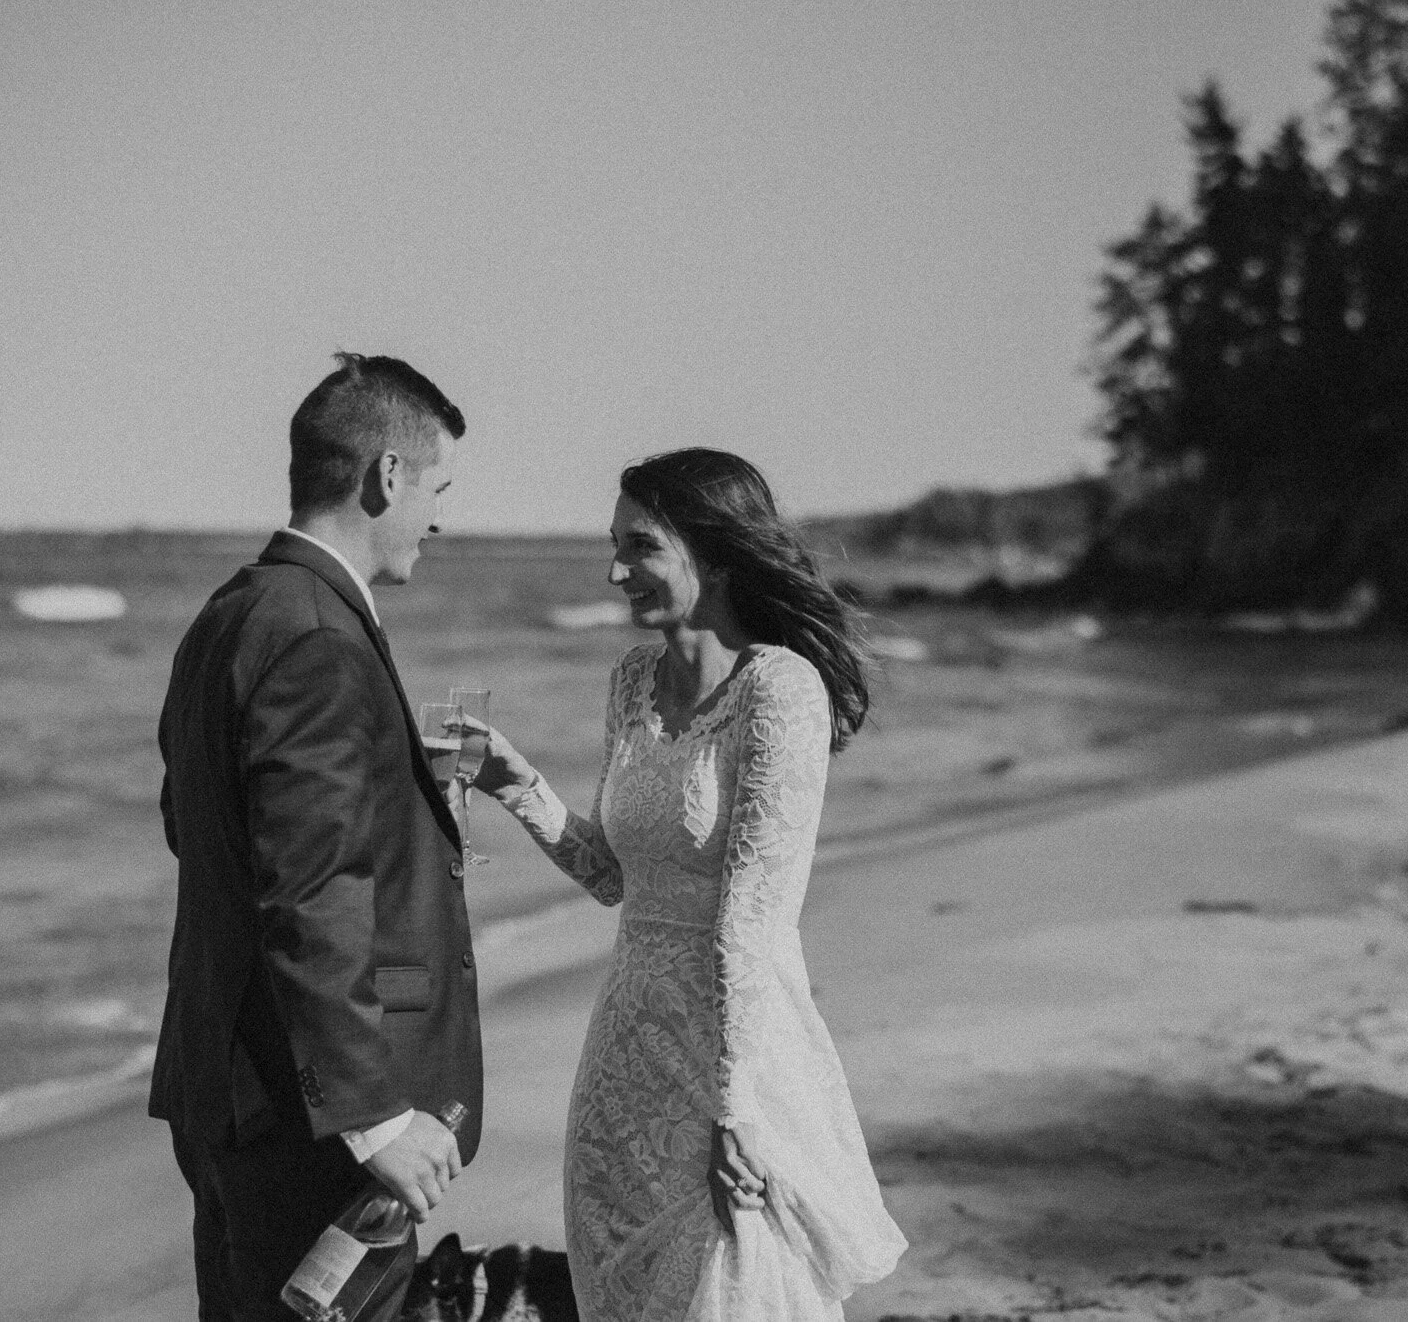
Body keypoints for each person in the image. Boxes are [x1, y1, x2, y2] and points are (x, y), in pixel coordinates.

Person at [468, 448, 906, 1321]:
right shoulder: (632, 681)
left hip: (731, 1057)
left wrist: (736, 1105)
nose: (615, 569)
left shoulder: (781, 689)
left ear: (712, 551)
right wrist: (519, 785)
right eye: (615, 545)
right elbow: (611, 877)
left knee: (731, 1288)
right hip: (624, 1048)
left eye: (640, 547)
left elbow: (753, 916)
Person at [151, 352, 481, 1321]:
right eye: (436, 489)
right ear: (387, 475)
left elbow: (196, 827)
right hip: (307, 1120)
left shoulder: (230, 613)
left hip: (228, 1088)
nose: (438, 517)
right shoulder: (318, 638)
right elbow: (306, 887)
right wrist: (373, 1119)